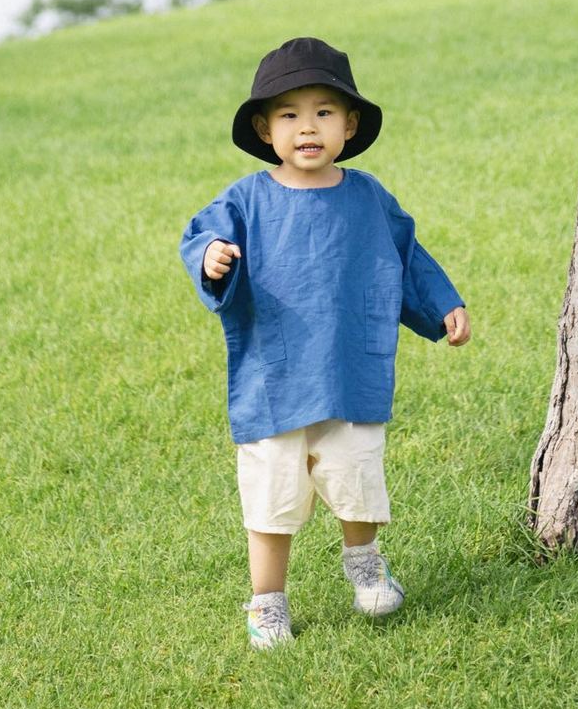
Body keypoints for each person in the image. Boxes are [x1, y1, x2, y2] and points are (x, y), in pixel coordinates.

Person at [180, 35, 471, 649]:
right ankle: (267, 602)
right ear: (264, 128)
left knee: (358, 478)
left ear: (350, 124)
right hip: (274, 378)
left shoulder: (367, 197)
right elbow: (200, 235)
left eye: (323, 112)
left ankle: (364, 565)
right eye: (288, 114)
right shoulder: (247, 200)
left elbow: (407, 256)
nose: (306, 127)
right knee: (272, 499)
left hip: (348, 374)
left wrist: (442, 303)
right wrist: (211, 256)